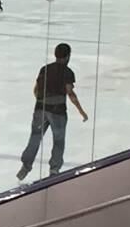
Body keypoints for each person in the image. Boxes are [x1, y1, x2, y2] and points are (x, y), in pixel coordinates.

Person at [17, 43, 89, 181]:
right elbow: (70, 93)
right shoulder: (67, 72)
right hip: (58, 112)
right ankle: (54, 169)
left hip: (41, 109)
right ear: (68, 56)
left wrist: (41, 103)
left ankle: (26, 166)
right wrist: (81, 111)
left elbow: (36, 90)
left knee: (35, 137)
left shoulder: (45, 69)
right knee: (58, 141)